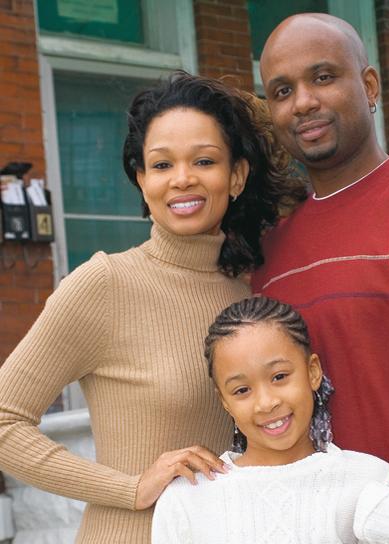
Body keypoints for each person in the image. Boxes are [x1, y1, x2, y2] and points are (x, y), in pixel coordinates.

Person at [0, 72, 304, 543]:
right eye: (162, 165)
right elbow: (4, 421)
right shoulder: (105, 284)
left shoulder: (255, 294)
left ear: (237, 176)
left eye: (204, 160)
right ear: (142, 180)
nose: (182, 179)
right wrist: (130, 488)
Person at [252, 13, 389, 513]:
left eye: (323, 77)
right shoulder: (269, 253)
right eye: (282, 91)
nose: (303, 102)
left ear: (369, 86)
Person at [152, 296, 389, 543]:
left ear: (313, 372)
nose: (266, 403)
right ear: (224, 400)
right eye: (242, 390)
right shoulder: (187, 497)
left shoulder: (369, 480)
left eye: (279, 377)